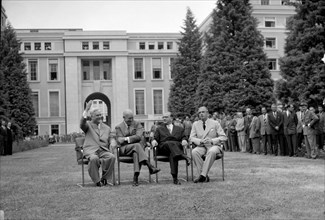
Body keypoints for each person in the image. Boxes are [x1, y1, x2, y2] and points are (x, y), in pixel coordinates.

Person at [115, 109, 160, 186]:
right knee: (137, 145)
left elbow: (138, 137)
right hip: (124, 149)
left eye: (132, 118)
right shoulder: (118, 127)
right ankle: (149, 165)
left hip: (135, 149)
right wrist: (131, 138)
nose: (131, 120)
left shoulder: (137, 124)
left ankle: (135, 178)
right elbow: (119, 140)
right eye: (129, 118)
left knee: (136, 153)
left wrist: (125, 138)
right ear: (124, 117)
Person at [80, 100, 116, 187]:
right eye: (97, 115)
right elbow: (82, 124)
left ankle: (105, 178)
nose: (100, 117)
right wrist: (86, 109)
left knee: (111, 157)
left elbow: (111, 136)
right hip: (91, 150)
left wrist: (112, 141)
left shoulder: (106, 127)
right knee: (94, 158)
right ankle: (97, 181)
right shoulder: (87, 125)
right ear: (91, 117)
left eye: (100, 115)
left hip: (103, 150)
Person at [151, 112, 191, 185]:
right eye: (163, 117)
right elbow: (155, 138)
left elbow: (184, 137)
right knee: (169, 143)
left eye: (166, 117)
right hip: (163, 148)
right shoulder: (159, 129)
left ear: (171, 118)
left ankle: (175, 178)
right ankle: (183, 155)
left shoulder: (179, 128)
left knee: (173, 155)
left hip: (174, 150)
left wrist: (184, 140)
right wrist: (153, 141)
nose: (164, 118)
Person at [190, 106, 227, 183]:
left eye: (203, 112)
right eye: (199, 113)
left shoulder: (215, 123)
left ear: (208, 113)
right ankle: (204, 176)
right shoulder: (195, 124)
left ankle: (202, 175)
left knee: (211, 151)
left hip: (213, 146)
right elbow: (191, 138)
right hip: (202, 146)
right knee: (194, 151)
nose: (201, 114)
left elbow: (224, 137)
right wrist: (200, 141)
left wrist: (212, 140)